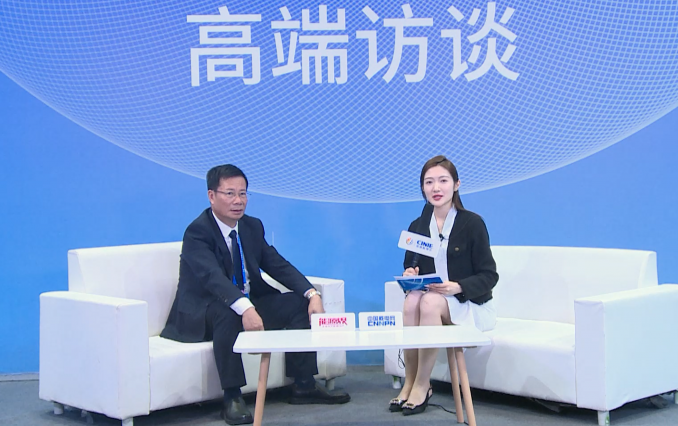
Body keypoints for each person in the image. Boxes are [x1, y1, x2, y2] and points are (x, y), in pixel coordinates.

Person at [161, 164, 350, 425]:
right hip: (205, 312)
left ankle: (304, 384)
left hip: (249, 303)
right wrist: (245, 308)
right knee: (229, 311)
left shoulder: (251, 226)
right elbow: (213, 279)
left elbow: (276, 264)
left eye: (243, 193)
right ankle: (232, 397)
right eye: (230, 193)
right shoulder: (198, 232)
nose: (238, 201)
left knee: (297, 304)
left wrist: (311, 294)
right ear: (211, 196)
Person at [391, 155, 499, 416]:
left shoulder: (472, 223)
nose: (436, 188)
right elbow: (410, 267)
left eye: (443, 181)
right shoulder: (417, 226)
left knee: (428, 301)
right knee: (412, 300)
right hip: (431, 301)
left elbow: (489, 275)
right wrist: (410, 274)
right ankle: (409, 381)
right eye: (429, 182)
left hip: (468, 304)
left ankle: (422, 385)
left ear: (456, 184)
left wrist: (458, 287)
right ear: (422, 187)